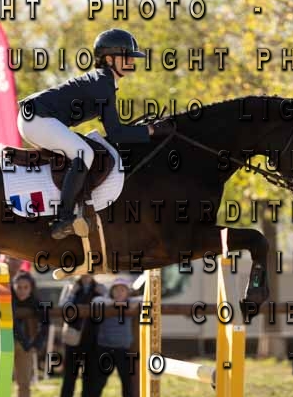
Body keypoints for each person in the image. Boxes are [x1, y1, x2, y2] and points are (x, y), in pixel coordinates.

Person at [18, 28, 175, 240]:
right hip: (37, 119)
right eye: (126, 56)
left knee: (84, 150)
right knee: (84, 153)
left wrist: (145, 129)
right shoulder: (103, 82)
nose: (132, 60)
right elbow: (116, 133)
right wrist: (152, 130)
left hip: (35, 118)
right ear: (109, 59)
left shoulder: (104, 81)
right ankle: (63, 219)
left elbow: (115, 130)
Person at [82, 277, 141, 397]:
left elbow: (143, 299)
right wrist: (117, 304)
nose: (119, 292)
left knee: (127, 382)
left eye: (123, 290)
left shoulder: (131, 303)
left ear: (127, 292)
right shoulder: (105, 303)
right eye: (116, 290)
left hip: (123, 350)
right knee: (98, 382)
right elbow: (96, 301)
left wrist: (129, 303)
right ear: (112, 292)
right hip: (105, 349)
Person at [57, 274, 102, 397]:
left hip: (93, 339)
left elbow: (108, 305)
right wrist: (72, 292)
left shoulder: (100, 288)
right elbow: (62, 307)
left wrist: (102, 295)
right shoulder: (71, 287)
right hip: (73, 338)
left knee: (90, 377)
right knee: (69, 377)